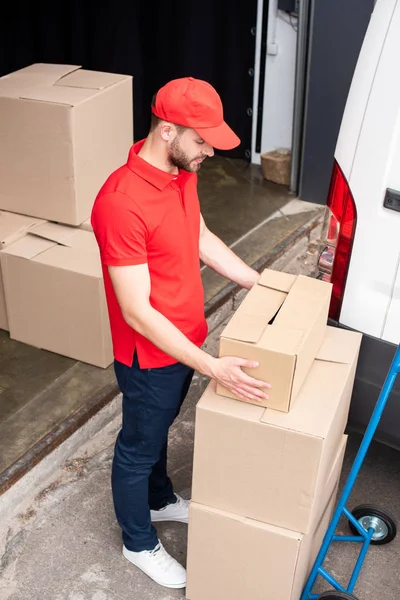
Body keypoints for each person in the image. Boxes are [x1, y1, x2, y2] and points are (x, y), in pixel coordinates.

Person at [91, 76, 271, 589]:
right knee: (138, 445)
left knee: (160, 430)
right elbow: (137, 312)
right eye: (202, 140)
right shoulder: (121, 202)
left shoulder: (179, 172)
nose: (210, 151)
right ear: (167, 130)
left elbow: (198, 235)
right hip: (150, 356)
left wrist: (257, 281)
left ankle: (161, 497)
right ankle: (138, 542)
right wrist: (210, 364)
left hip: (185, 341)